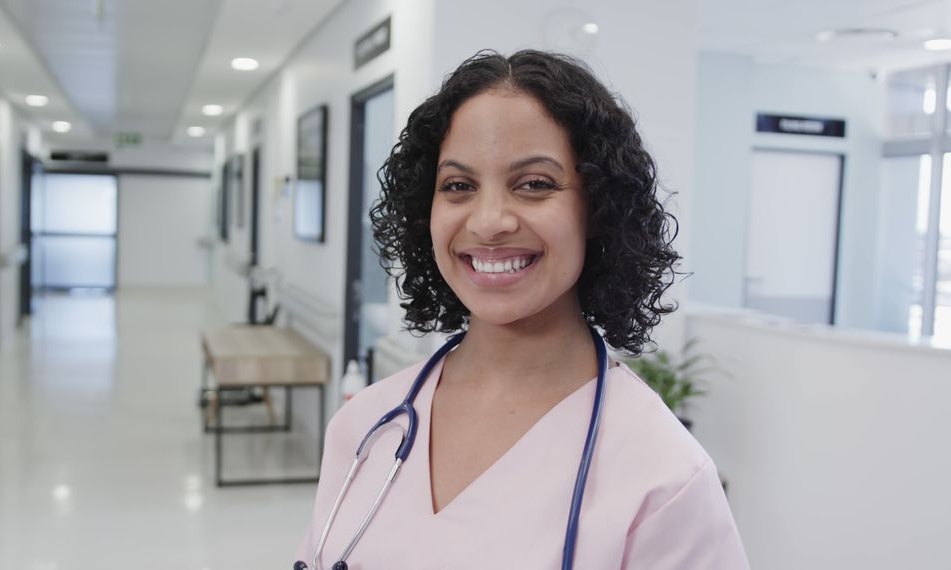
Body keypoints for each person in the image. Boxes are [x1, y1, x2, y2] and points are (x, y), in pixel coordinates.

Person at [296, 50, 749, 569]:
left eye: (535, 184)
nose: (489, 222)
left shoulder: (665, 476)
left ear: (598, 208)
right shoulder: (365, 426)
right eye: (459, 186)